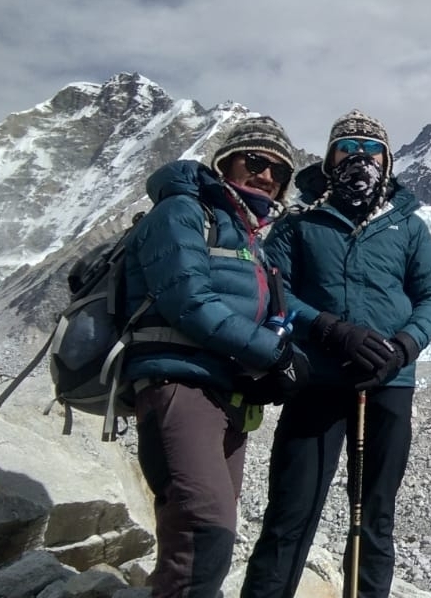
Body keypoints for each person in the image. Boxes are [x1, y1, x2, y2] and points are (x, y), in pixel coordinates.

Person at [242, 109, 431, 598]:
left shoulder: (409, 227)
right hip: (316, 379)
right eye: (348, 149)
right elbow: (275, 291)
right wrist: (330, 329)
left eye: (371, 150)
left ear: (388, 160)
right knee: (290, 514)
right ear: (331, 157)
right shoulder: (300, 223)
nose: (360, 160)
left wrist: (403, 347)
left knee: (375, 518)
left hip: (388, 384)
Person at [122, 115, 311, 598]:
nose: (267, 176)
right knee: (202, 529)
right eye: (255, 161)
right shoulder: (184, 212)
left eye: (279, 171)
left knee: (209, 534)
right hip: (178, 386)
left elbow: (261, 315)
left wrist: (278, 354)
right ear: (225, 162)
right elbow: (189, 301)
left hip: (227, 395)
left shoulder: (250, 237)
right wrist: (273, 354)